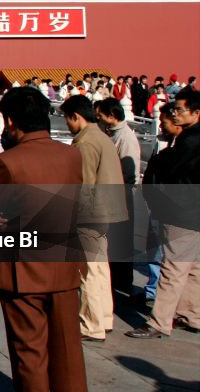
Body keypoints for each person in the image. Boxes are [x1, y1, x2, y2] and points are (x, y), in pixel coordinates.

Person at [0, 86, 88, 392]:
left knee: (30, 351)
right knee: (68, 344)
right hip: (65, 260)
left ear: (10, 121)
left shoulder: (9, 161)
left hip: (23, 268)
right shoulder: (71, 155)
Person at [127, 88, 200, 339]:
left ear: (196, 112)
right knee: (193, 268)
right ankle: (191, 314)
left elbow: (170, 171)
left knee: (172, 268)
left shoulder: (189, 141)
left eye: (179, 109)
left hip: (184, 213)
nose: (175, 114)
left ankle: (159, 322)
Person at [61, 94, 128, 343]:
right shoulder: (102, 137)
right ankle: (104, 318)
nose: (67, 125)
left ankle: (91, 324)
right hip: (105, 211)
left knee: (88, 270)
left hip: (89, 214)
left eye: (68, 120)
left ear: (76, 117)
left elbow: (84, 183)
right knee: (100, 268)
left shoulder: (86, 142)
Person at [95, 97, 142, 296]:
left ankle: (122, 284)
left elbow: (128, 174)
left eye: (100, 115)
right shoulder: (110, 134)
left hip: (121, 196)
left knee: (121, 242)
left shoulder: (125, 138)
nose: (98, 119)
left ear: (111, 116)